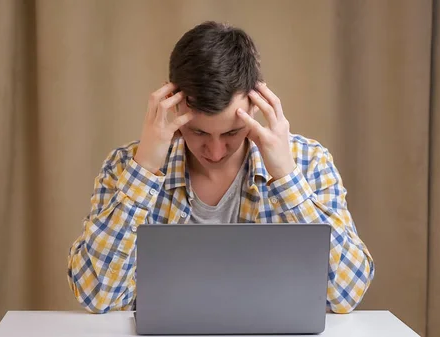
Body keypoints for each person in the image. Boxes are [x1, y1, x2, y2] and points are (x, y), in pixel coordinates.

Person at [67, 21, 375, 315]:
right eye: (199, 132)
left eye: (231, 132)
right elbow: (97, 296)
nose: (215, 151)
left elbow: (346, 294)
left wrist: (287, 178)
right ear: (173, 104)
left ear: (257, 105)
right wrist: (144, 169)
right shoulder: (126, 166)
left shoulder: (309, 162)